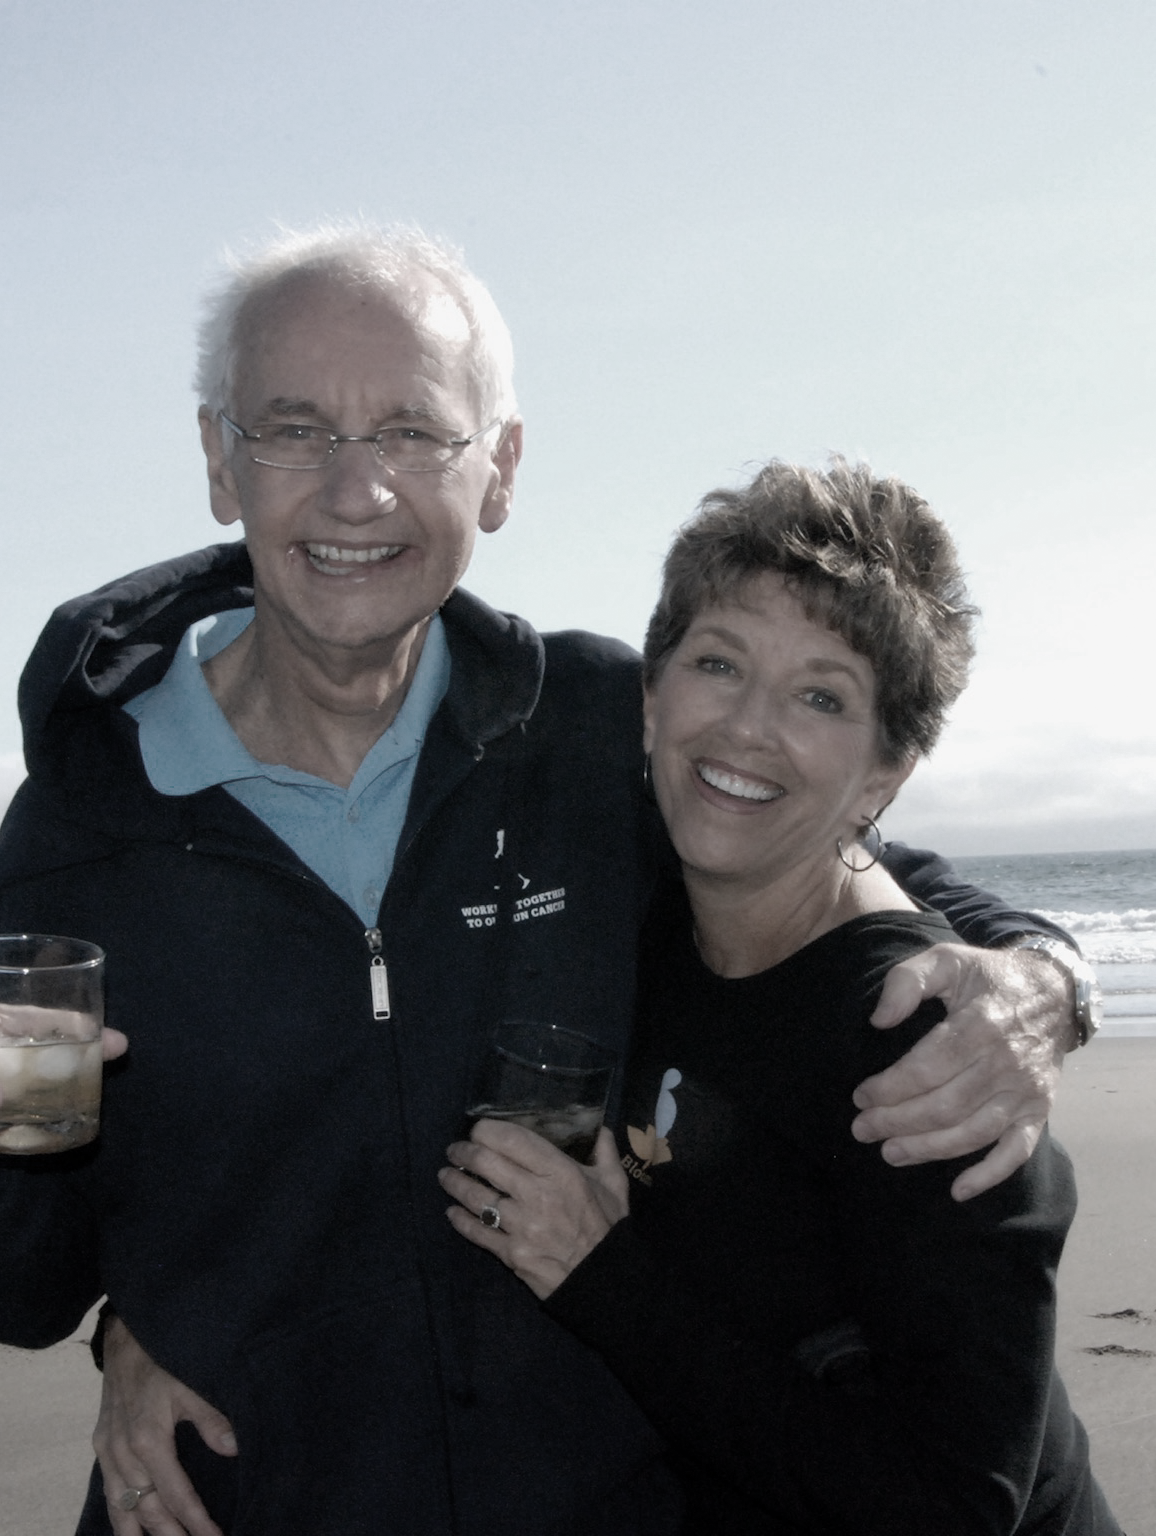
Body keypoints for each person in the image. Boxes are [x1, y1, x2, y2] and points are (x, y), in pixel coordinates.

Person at [0, 224, 1101, 1536]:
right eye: (294, 428)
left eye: (408, 432)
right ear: (221, 461)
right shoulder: (92, 823)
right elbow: (10, 1293)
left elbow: (829, 848)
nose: (354, 493)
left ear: (496, 469)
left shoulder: (590, 730)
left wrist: (1039, 976)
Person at [439, 460, 1118, 1534]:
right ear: (651, 699)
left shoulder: (930, 1047)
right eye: (718, 663)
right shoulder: (641, 904)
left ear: (887, 770)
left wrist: (602, 1276)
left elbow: (949, 1508)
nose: (748, 728)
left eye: (821, 696)